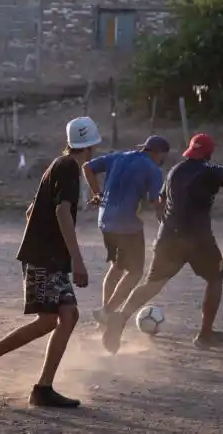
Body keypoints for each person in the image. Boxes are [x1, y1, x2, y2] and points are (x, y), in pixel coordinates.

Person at [0, 116, 101, 408]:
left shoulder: (60, 166)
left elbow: (31, 211)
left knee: (68, 316)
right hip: (46, 258)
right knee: (50, 320)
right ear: (91, 146)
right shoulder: (68, 169)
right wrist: (77, 260)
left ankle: (43, 388)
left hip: (48, 256)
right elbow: (62, 212)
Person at [101, 133, 223, 355]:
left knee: (152, 284)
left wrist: (164, 217)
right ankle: (205, 335)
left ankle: (120, 319)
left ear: (190, 151)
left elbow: (160, 200)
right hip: (198, 238)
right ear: (209, 152)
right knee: (215, 277)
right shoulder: (212, 170)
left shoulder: (175, 171)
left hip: (168, 236)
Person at [82, 135, 169, 327]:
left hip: (105, 220)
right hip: (127, 225)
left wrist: (97, 193)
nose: (162, 160)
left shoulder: (119, 156)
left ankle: (104, 319)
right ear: (157, 153)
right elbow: (156, 202)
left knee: (117, 267)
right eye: (163, 156)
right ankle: (106, 311)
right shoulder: (153, 170)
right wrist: (167, 219)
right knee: (135, 272)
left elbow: (87, 167)